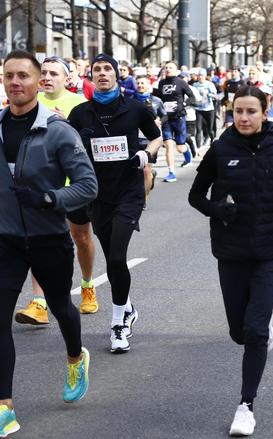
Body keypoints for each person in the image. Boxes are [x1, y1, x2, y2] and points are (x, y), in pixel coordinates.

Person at [188, 85, 273, 436]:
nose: (243, 118)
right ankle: (260, 321)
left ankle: (246, 406)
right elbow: (195, 195)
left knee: (255, 332)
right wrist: (218, 209)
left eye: (251, 112)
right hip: (232, 250)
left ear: (265, 111)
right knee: (239, 333)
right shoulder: (219, 149)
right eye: (238, 111)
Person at [0, 50, 98, 438]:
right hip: (5, 239)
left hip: (48, 237)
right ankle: (4, 405)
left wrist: (50, 199)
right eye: (9, 75)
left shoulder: (58, 130)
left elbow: (89, 186)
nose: (15, 82)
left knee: (60, 306)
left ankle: (76, 356)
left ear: (39, 81)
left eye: (23, 75)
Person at [68, 54, 162, 353]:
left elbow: (156, 137)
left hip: (129, 192)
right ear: (91, 76)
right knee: (112, 260)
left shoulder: (135, 108)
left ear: (117, 75)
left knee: (118, 258)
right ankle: (128, 307)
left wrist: (146, 154)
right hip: (98, 194)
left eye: (108, 69)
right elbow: (65, 148)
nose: (103, 74)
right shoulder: (81, 113)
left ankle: (119, 323)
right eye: (97, 70)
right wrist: (76, 143)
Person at [14, 55, 99, 326]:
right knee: (36, 241)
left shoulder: (80, 105)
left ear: (66, 79)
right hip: (39, 188)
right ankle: (39, 303)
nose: (47, 78)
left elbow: (91, 147)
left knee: (81, 237)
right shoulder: (28, 105)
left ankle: (87, 284)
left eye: (54, 73)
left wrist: (66, 127)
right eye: (44, 73)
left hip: (72, 188)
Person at [152, 60, 196, 182]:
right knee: (168, 145)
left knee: (180, 148)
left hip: (179, 117)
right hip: (166, 118)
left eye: (171, 67)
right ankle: (171, 172)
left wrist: (183, 105)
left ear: (176, 70)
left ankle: (187, 154)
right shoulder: (161, 83)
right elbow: (158, 100)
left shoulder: (181, 82)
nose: (168, 69)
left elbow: (192, 98)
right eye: (166, 67)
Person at [134, 75, 166, 203]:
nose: (140, 85)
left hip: (150, 140)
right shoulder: (130, 100)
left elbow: (165, 116)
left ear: (149, 85)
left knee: (146, 169)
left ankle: (144, 199)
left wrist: (159, 121)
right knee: (137, 171)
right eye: (138, 83)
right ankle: (151, 176)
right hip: (134, 139)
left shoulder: (156, 101)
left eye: (143, 83)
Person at [191, 68, 217, 148]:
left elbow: (215, 96)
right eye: (199, 75)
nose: (200, 77)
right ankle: (198, 148)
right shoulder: (195, 85)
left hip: (209, 109)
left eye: (202, 75)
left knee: (210, 130)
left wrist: (209, 94)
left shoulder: (209, 84)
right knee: (198, 129)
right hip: (199, 109)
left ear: (205, 76)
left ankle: (213, 143)